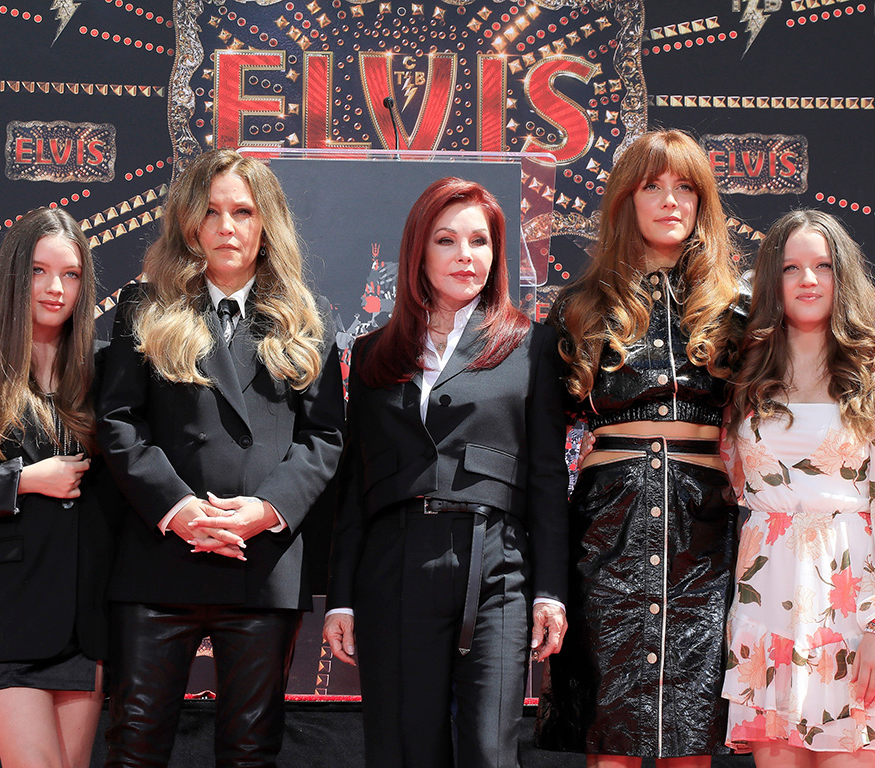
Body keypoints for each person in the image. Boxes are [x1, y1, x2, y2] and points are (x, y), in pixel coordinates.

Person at [97, 149, 345, 767]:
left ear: (267, 224)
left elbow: (324, 439)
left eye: (242, 211)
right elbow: (118, 420)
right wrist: (178, 509)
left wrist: (266, 510)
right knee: (136, 743)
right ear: (189, 223)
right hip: (159, 561)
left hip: (260, 565)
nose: (226, 227)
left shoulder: (307, 318)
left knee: (250, 751)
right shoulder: (144, 306)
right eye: (210, 212)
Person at [323, 177, 569, 768]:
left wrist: (550, 591)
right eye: (447, 240)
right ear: (418, 252)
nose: (466, 255)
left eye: (480, 242)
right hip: (395, 563)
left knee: (490, 751)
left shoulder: (530, 347)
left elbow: (545, 478)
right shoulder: (373, 353)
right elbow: (354, 487)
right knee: (405, 751)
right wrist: (340, 600)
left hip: (497, 564)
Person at [535, 129, 748, 767]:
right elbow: (543, 456)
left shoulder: (738, 313)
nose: (669, 200)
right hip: (608, 536)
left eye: (685, 186)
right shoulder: (578, 310)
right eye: (651, 186)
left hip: (705, 542)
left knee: (690, 737)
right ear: (625, 201)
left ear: (704, 201)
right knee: (614, 735)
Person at [721, 209, 875, 764]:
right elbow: (730, 486)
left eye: (823, 266)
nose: (808, 280)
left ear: (842, 277)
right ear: (772, 280)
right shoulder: (743, 378)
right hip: (767, 601)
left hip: (855, 603)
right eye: (792, 267)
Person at [0, 207, 118, 768]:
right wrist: (24, 480)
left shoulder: (102, 377)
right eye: (38, 271)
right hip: (3, 615)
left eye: (71, 274)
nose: (55, 288)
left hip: (83, 622)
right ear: (13, 276)